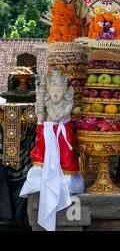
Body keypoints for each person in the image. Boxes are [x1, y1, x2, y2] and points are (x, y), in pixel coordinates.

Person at [20, 70, 83, 231]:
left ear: (64, 89)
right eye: (52, 88)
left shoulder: (67, 103)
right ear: (49, 89)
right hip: (48, 136)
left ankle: (66, 182)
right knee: (42, 149)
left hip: (61, 136)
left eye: (58, 88)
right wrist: (40, 99)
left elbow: (58, 116)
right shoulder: (46, 100)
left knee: (66, 158)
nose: (55, 92)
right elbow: (41, 120)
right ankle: (42, 177)